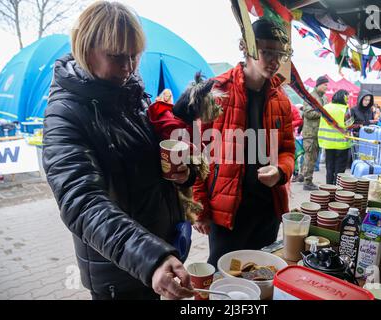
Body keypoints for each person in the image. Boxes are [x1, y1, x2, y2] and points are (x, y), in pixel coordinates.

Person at [42, 1, 195, 300]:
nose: (127, 67)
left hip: (158, 255)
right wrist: (151, 258)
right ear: (85, 50)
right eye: (115, 56)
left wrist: (181, 173)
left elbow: (148, 165)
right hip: (119, 271)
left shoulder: (132, 93)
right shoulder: (64, 115)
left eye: (133, 55)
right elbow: (82, 202)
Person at [192, 19, 295, 267]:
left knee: (260, 275)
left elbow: (288, 150)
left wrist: (280, 171)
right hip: (227, 213)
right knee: (222, 278)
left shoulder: (281, 99)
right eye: (267, 52)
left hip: (267, 210)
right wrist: (198, 209)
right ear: (245, 47)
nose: (274, 60)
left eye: (279, 54)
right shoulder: (216, 91)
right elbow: (196, 154)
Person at [298, 75, 329, 190]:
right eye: (325, 85)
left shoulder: (324, 98)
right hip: (310, 133)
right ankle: (308, 182)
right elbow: (308, 113)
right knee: (310, 157)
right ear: (319, 85)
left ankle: (302, 175)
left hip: (319, 132)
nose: (327, 87)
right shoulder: (310, 97)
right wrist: (323, 113)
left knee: (310, 156)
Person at [318, 89, 354, 185]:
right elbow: (349, 126)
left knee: (329, 168)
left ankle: (328, 188)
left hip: (328, 143)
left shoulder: (326, 107)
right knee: (339, 170)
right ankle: (337, 189)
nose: (347, 99)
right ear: (343, 97)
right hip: (342, 144)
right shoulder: (345, 109)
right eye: (347, 97)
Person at [291, 102, 304, 182]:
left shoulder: (291, 107)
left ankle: (295, 173)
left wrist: (288, 124)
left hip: (289, 136)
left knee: (293, 155)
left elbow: (299, 121)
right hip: (272, 135)